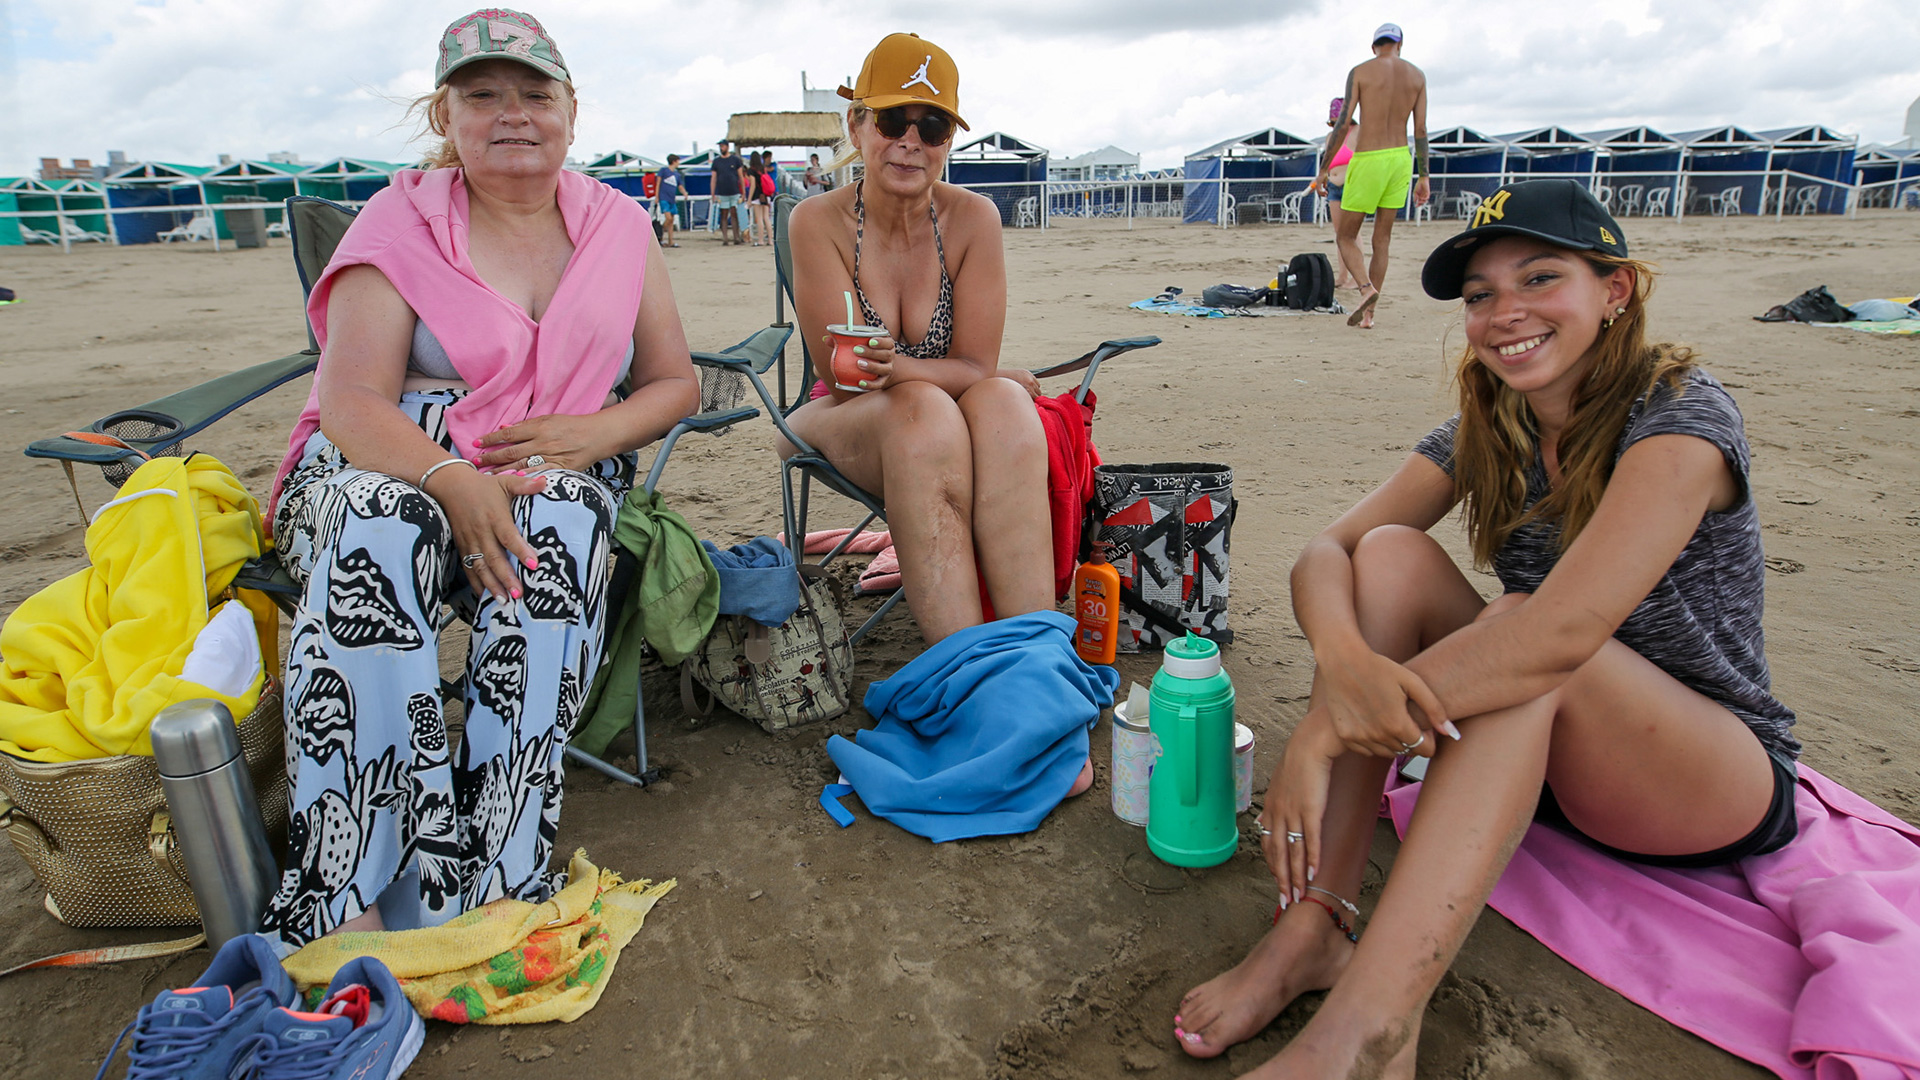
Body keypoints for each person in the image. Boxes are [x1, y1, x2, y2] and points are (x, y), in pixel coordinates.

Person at [1171, 179, 1800, 1077]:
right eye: (1480, 296)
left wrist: (1321, 732)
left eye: (1541, 279)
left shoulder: (1681, 417)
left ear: (1613, 291)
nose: (1506, 314)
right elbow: (1326, 552)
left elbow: (1558, 636)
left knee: (1522, 631)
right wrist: (1347, 667)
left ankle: (1372, 1030)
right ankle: (1317, 921)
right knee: (1386, 555)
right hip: (1547, 756)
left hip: (1704, 774)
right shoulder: (1493, 422)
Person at [260, 7, 699, 950]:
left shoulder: (620, 227)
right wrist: (450, 476)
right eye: (481, 94)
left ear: (571, 112)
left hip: (544, 469)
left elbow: (676, 381)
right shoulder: (399, 220)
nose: (512, 113)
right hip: (383, 462)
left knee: (574, 516)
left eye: (535, 93)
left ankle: (496, 865)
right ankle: (356, 878)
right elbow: (351, 403)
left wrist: (599, 430)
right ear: (445, 117)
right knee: (381, 523)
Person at [785, 30, 1093, 794]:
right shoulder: (815, 220)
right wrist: (922, 376)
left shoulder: (972, 218)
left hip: (934, 406)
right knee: (929, 409)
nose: (911, 143)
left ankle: (1035, 680)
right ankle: (976, 698)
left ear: (951, 137)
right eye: (894, 121)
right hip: (839, 413)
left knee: (1005, 405)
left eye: (933, 126)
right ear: (858, 125)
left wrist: (925, 373)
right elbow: (842, 372)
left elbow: (977, 367)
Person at [1316, 23, 1429, 329]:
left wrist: (1324, 168)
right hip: (1400, 160)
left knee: (1345, 236)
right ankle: (1369, 317)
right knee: (1383, 240)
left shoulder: (1361, 71)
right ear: (1400, 44)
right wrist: (1424, 176)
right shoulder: (1417, 76)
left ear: (1373, 46)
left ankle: (1366, 289)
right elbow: (1420, 130)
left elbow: (1342, 123)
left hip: (1369, 159)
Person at [1314, 96, 1362, 290]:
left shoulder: (1358, 132)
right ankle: (1342, 275)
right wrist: (1320, 179)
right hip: (1333, 187)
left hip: (1352, 185)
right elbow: (1326, 163)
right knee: (1340, 234)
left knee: (1353, 233)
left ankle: (1357, 277)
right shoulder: (1330, 137)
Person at [710, 139, 746, 245]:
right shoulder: (716, 161)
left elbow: (741, 176)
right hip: (722, 192)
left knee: (734, 214)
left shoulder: (735, 160)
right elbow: (713, 178)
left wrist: (743, 192)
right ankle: (725, 238)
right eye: (720, 147)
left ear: (727, 147)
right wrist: (712, 193)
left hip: (734, 191)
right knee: (724, 215)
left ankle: (736, 237)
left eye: (723, 146)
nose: (721, 148)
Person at [656, 152, 683, 248]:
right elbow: (658, 183)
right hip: (664, 198)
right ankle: (659, 234)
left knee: (671, 220)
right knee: (669, 218)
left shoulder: (677, 174)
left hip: (672, 199)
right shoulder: (663, 171)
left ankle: (671, 241)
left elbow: (680, 186)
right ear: (674, 161)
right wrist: (657, 196)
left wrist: (684, 193)